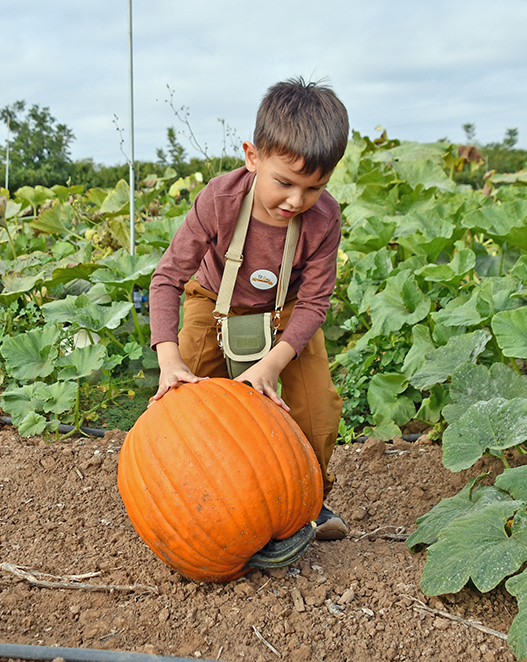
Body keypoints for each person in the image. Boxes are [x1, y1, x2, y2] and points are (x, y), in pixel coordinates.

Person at [148, 76, 349, 540]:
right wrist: (168, 358)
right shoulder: (219, 200)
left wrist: (271, 365)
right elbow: (167, 279)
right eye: (285, 183)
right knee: (180, 402)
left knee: (317, 410)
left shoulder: (323, 219)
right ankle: (183, 502)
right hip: (213, 302)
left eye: (314, 187)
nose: (297, 201)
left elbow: (316, 302)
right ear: (252, 156)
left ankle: (306, 501)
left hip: (289, 310)